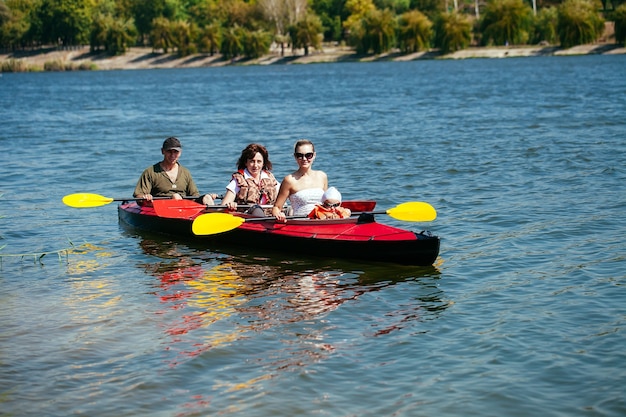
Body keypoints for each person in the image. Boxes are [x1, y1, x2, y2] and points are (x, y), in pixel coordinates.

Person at [133, 137, 216, 205]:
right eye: (169, 151)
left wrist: (208, 198)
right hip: (160, 206)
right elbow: (139, 195)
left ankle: (214, 217)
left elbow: (194, 196)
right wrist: (145, 197)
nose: (172, 155)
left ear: (180, 153)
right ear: (163, 151)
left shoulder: (185, 172)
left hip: (184, 206)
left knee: (207, 197)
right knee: (175, 196)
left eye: (175, 152)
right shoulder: (150, 172)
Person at [272, 139, 328, 222]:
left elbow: (327, 204)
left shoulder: (322, 176)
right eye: (300, 155)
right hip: (301, 224)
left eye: (308, 155)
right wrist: (279, 215)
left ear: (314, 155)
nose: (304, 159)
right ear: (295, 156)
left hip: (321, 222)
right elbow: (276, 207)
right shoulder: (289, 180)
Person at [221, 143, 279, 216]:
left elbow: (281, 200)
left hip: (270, 216)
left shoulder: (270, 178)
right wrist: (230, 204)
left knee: (290, 210)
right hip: (249, 217)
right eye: (252, 161)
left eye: (259, 161)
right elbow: (224, 205)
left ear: (263, 163)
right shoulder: (238, 180)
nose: (255, 165)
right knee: (257, 209)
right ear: (246, 162)